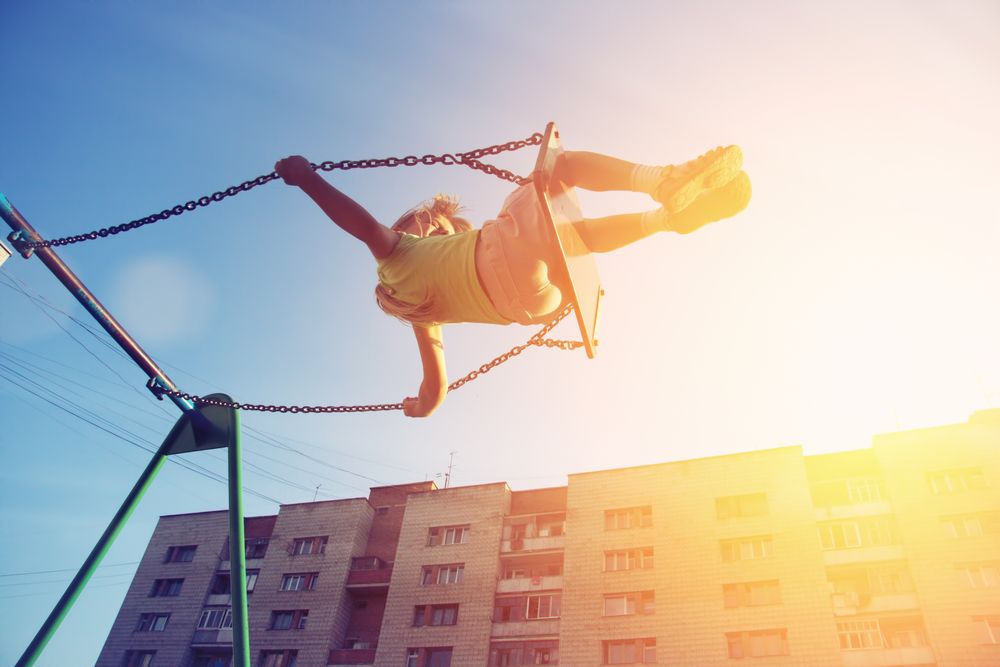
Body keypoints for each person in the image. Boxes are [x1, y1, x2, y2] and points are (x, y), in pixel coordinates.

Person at [275, 146, 751, 417]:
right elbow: (358, 222)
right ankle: (662, 181)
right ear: (407, 233)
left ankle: (664, 220)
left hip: (532, 306)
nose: (420, 226)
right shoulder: (395, 255)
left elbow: (434, 390)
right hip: (506, 262)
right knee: (560, 169)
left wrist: (416, 408)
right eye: (417, 224)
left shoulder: (426, 320)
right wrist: (309, 180)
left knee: (574, 241)